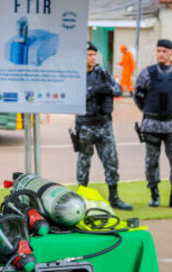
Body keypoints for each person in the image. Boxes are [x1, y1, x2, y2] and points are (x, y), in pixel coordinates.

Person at [74, 41, 132, 210]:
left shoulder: (103, 73)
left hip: (104, 125)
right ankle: (81, 197)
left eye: (94, 55)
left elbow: (119, 90)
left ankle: (114, 197)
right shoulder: (76, 75)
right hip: (85, 125)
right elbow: (73, 97)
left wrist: (108, 89)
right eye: (89, 55)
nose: (92, 58)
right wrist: (92, 91)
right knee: (84, 163)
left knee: (112, 162)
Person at [134, 38, 172, 209]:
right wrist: (148, 112)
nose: (161, 54)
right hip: (152, 123)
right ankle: (154, 195)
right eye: (159, 51)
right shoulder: (147, 73)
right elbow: (138, 96)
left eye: (165, 51)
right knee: (151, 161)